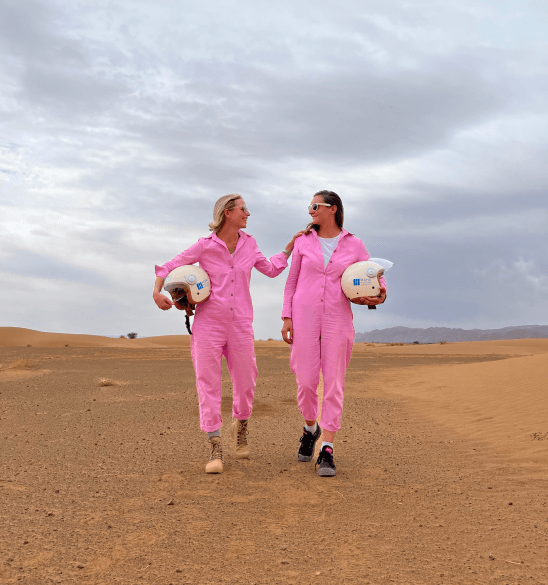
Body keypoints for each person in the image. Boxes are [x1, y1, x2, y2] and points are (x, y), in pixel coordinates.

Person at [154, 194, 302, 474]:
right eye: (244, 209)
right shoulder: (205, 246)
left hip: (241, 324)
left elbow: (271, 270)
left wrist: (289, 247)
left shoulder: (250, 244)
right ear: (228, 213)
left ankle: (241, 425)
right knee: (208, 383)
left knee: (246, 381)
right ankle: (215, 446)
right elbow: (168, 266)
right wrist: (156, 292)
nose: (248, 213)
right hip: (208, 324)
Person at [281, 190, 387, 477]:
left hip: (338, 320)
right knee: (305, 382)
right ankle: (310, 428)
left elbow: (373, 275)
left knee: (333, 383)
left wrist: (380, 294)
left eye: (315, 206)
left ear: (333, 209)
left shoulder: (354, 244)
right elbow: (291, 282)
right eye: (309, 206)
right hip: (303, 318)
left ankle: (327, 448)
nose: (310, 210)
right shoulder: (303, 241)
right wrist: (287, 316)